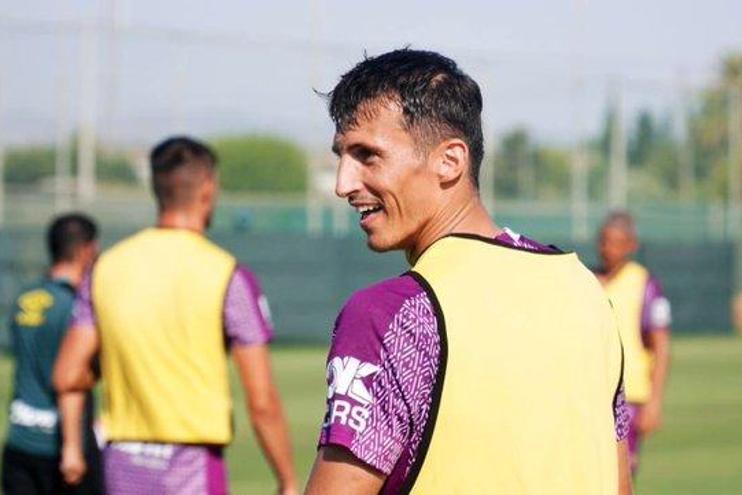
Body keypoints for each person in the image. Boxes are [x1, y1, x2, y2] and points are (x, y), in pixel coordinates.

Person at [305, 49, 631, 495]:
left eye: (368, 156)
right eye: (342, 156)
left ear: (450, 161)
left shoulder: (391, 315)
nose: (344, 183)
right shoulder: (585, 290)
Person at [52, 137, 298, 495]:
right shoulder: (226, 275)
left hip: (122, 464)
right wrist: (287, 480)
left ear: (156, 188)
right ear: (208, 188)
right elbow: (262, 403)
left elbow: (67, 375)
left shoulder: (105, 269)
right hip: (190, 468)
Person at [2, 213, 102, 494]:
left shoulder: (25, 298)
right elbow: (69, 382)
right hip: (58, 447)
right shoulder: (75, 310)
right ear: (86, 250)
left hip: (19, 440)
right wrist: (72, 447)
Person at [595, 211, 671, 475]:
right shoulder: (588, 280)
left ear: (631, 245)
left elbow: (660, 345)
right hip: (592, 391)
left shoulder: (645, 284)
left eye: (616, 242)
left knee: (621, 472)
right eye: (604, 241)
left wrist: (654, 401)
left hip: (628, 397)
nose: (608, 249)